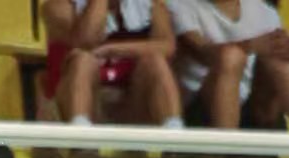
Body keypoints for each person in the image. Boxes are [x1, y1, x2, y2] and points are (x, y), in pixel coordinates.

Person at [170, 0, 289, 130]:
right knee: (231, 56)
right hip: (200, 106)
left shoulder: (264, 9)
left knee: (277, 56)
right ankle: (224, 144)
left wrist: (288, 50)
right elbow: (201, 51)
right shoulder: (179, 5)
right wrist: (251, 45)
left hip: (253, 106)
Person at [43, 0, 185, 128]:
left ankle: (173, 134)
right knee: (83, 61)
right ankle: (80, 137)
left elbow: (167, 46)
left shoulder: (151, 4)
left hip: (132, 99)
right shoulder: (59, 6)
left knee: (155, 62)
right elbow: (86, 42)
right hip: (82, 99)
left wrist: (113, 49)